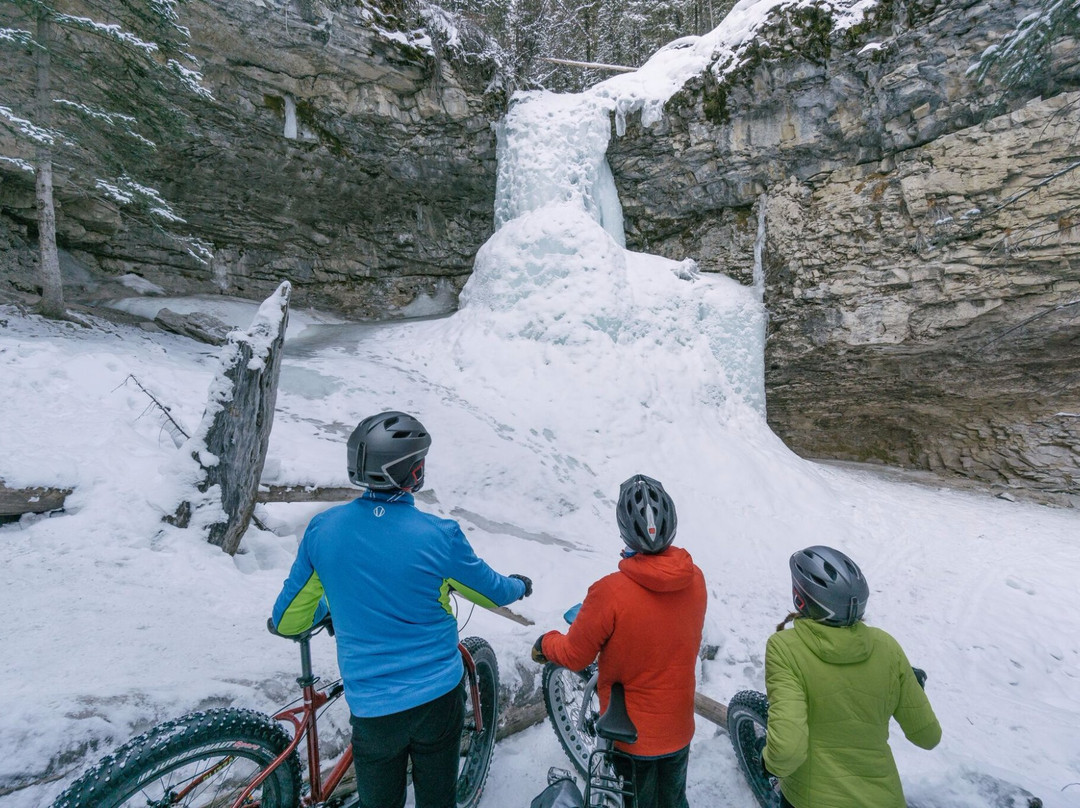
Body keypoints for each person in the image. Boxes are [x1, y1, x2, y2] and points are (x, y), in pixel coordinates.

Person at [270, 410, 531, 808]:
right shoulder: (439, 537)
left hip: (373, 711)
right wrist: (520, 585)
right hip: (437, 699)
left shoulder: (324, 531)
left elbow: (288, 621)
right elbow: (492, 591)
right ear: (414, 471)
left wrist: (330, 606)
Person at [532, 474, 707, 808]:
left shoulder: (610, 592)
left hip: (632, 737)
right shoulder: (695, 579)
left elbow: (575, 655)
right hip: (679, 726)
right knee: (673, 798)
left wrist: (546, 642)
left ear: (624, 530)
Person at [762, 545, 942, 808]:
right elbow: (928, 737)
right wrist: (907, 688)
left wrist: (768, 762)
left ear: (800, 598)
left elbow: (787, 751)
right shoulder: (886, 646)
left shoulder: (786, 648)